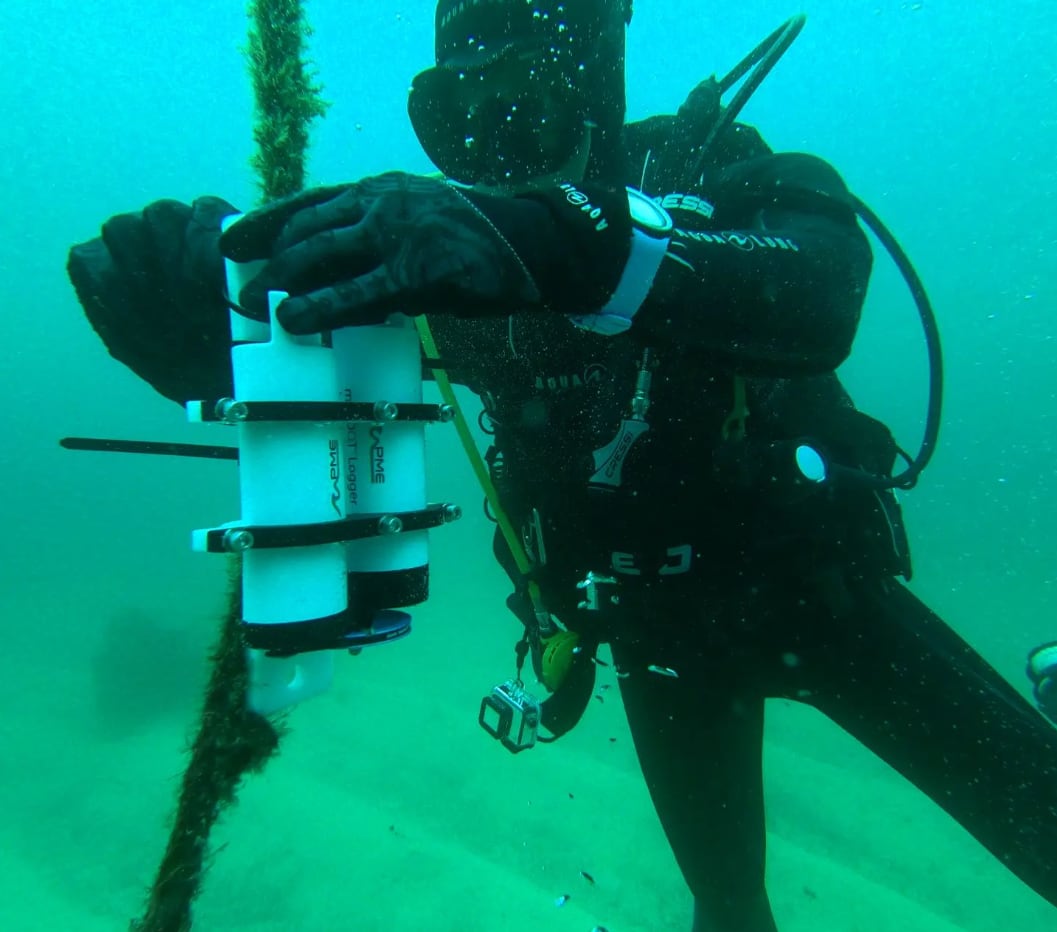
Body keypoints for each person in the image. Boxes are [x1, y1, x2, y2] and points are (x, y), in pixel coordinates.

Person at [66, 2, 1057, 929]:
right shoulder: (448, 260)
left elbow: (818, 285)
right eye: (452, 115)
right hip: (649, 638)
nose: (491, 148)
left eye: (525, 103)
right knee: (726, 906)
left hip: (816, 600)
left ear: (597, 89)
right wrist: (232, 331)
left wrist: (561, 239)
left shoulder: (709, 169)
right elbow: (332, 388)